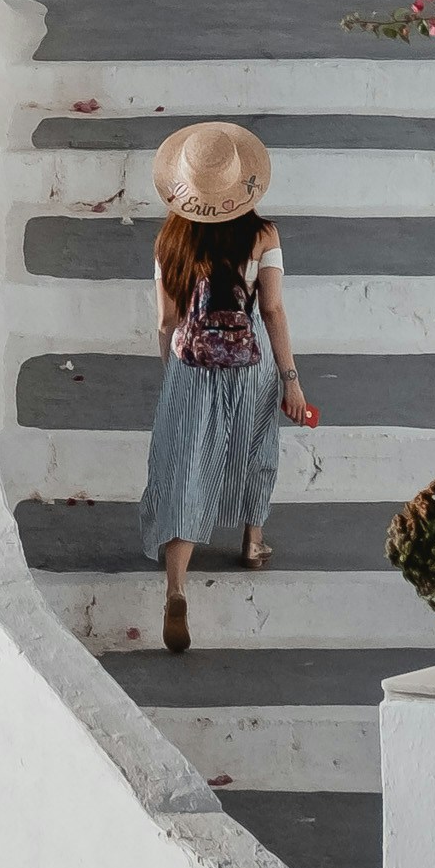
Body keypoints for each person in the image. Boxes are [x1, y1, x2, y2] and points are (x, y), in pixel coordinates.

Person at [134, 119, 311, 653]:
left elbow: (166, 322)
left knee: (186, 466)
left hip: (192, 367)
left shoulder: (169, 238)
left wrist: (177, 375)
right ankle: (253, 543)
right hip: (250, 363)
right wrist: (291, 381)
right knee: (256, 446)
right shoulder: (264, 236)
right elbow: (274, 310)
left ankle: (176, 587)